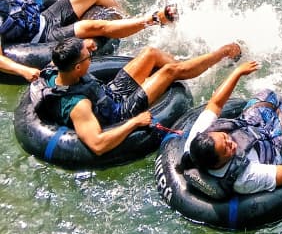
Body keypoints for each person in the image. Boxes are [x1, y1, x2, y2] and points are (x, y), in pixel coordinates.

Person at [31, 37, 244, 157]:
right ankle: (223, 53)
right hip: (119, 112)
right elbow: (97, 145)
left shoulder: (55, 69)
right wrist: (133, 122)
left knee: (151, 53)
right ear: (78, 67)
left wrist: (84, 45)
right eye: (87, 56)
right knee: (169, 71)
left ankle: (187, 70)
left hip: (108, 93)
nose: (91, 56)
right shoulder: (79, 106)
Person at [182, 41, 282, 194]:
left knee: (268, 94)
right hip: (271, 145)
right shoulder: (244, 178)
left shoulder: (195, 143)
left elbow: (215, 104)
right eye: (226, 149)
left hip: (248, 126)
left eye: (225, 137)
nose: (230, 143)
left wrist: (237, 72)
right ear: (216, 164)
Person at [1, 0, 177, 83]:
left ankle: (129, 20)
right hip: (40, 38)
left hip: (45, 18)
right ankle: (154, 20)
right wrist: (23, 70)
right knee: (92, 27)